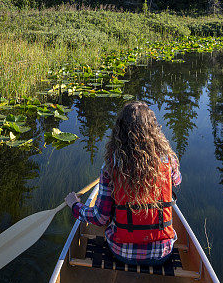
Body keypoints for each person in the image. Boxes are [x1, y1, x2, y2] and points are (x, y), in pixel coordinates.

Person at [65, 100, 181, 266]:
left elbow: (100, 218)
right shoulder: (167, 160)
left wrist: (75, 206)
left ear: (120, 133)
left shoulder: (110, 168)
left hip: (122, 253)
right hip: (163, 253)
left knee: (109, 213)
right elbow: (177, 180)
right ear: (154, 131)